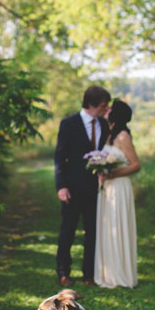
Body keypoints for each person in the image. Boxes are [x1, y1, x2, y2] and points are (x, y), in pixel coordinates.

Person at [55, 85, 111, 286]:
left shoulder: (104, 126)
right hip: (71, 187)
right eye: (103, 105)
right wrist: (61, 186)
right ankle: (63, 272)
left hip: (96, 189)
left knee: (93, 232)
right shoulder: (69, 124)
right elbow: (60, 158)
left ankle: (89, 274)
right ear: (91, 104)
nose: (106, 109)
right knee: (67, 230)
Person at [94, 99, 140, 289]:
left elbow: (136, 164)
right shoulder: (110, 136)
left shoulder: (123, 137)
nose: (107, 109)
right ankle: (108, 273)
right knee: (108, 229)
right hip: (107, 188)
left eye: (111, 108)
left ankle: (121, 274)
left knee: (118, 226)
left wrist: (112, 173)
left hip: (119, 187)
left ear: (116, 114)